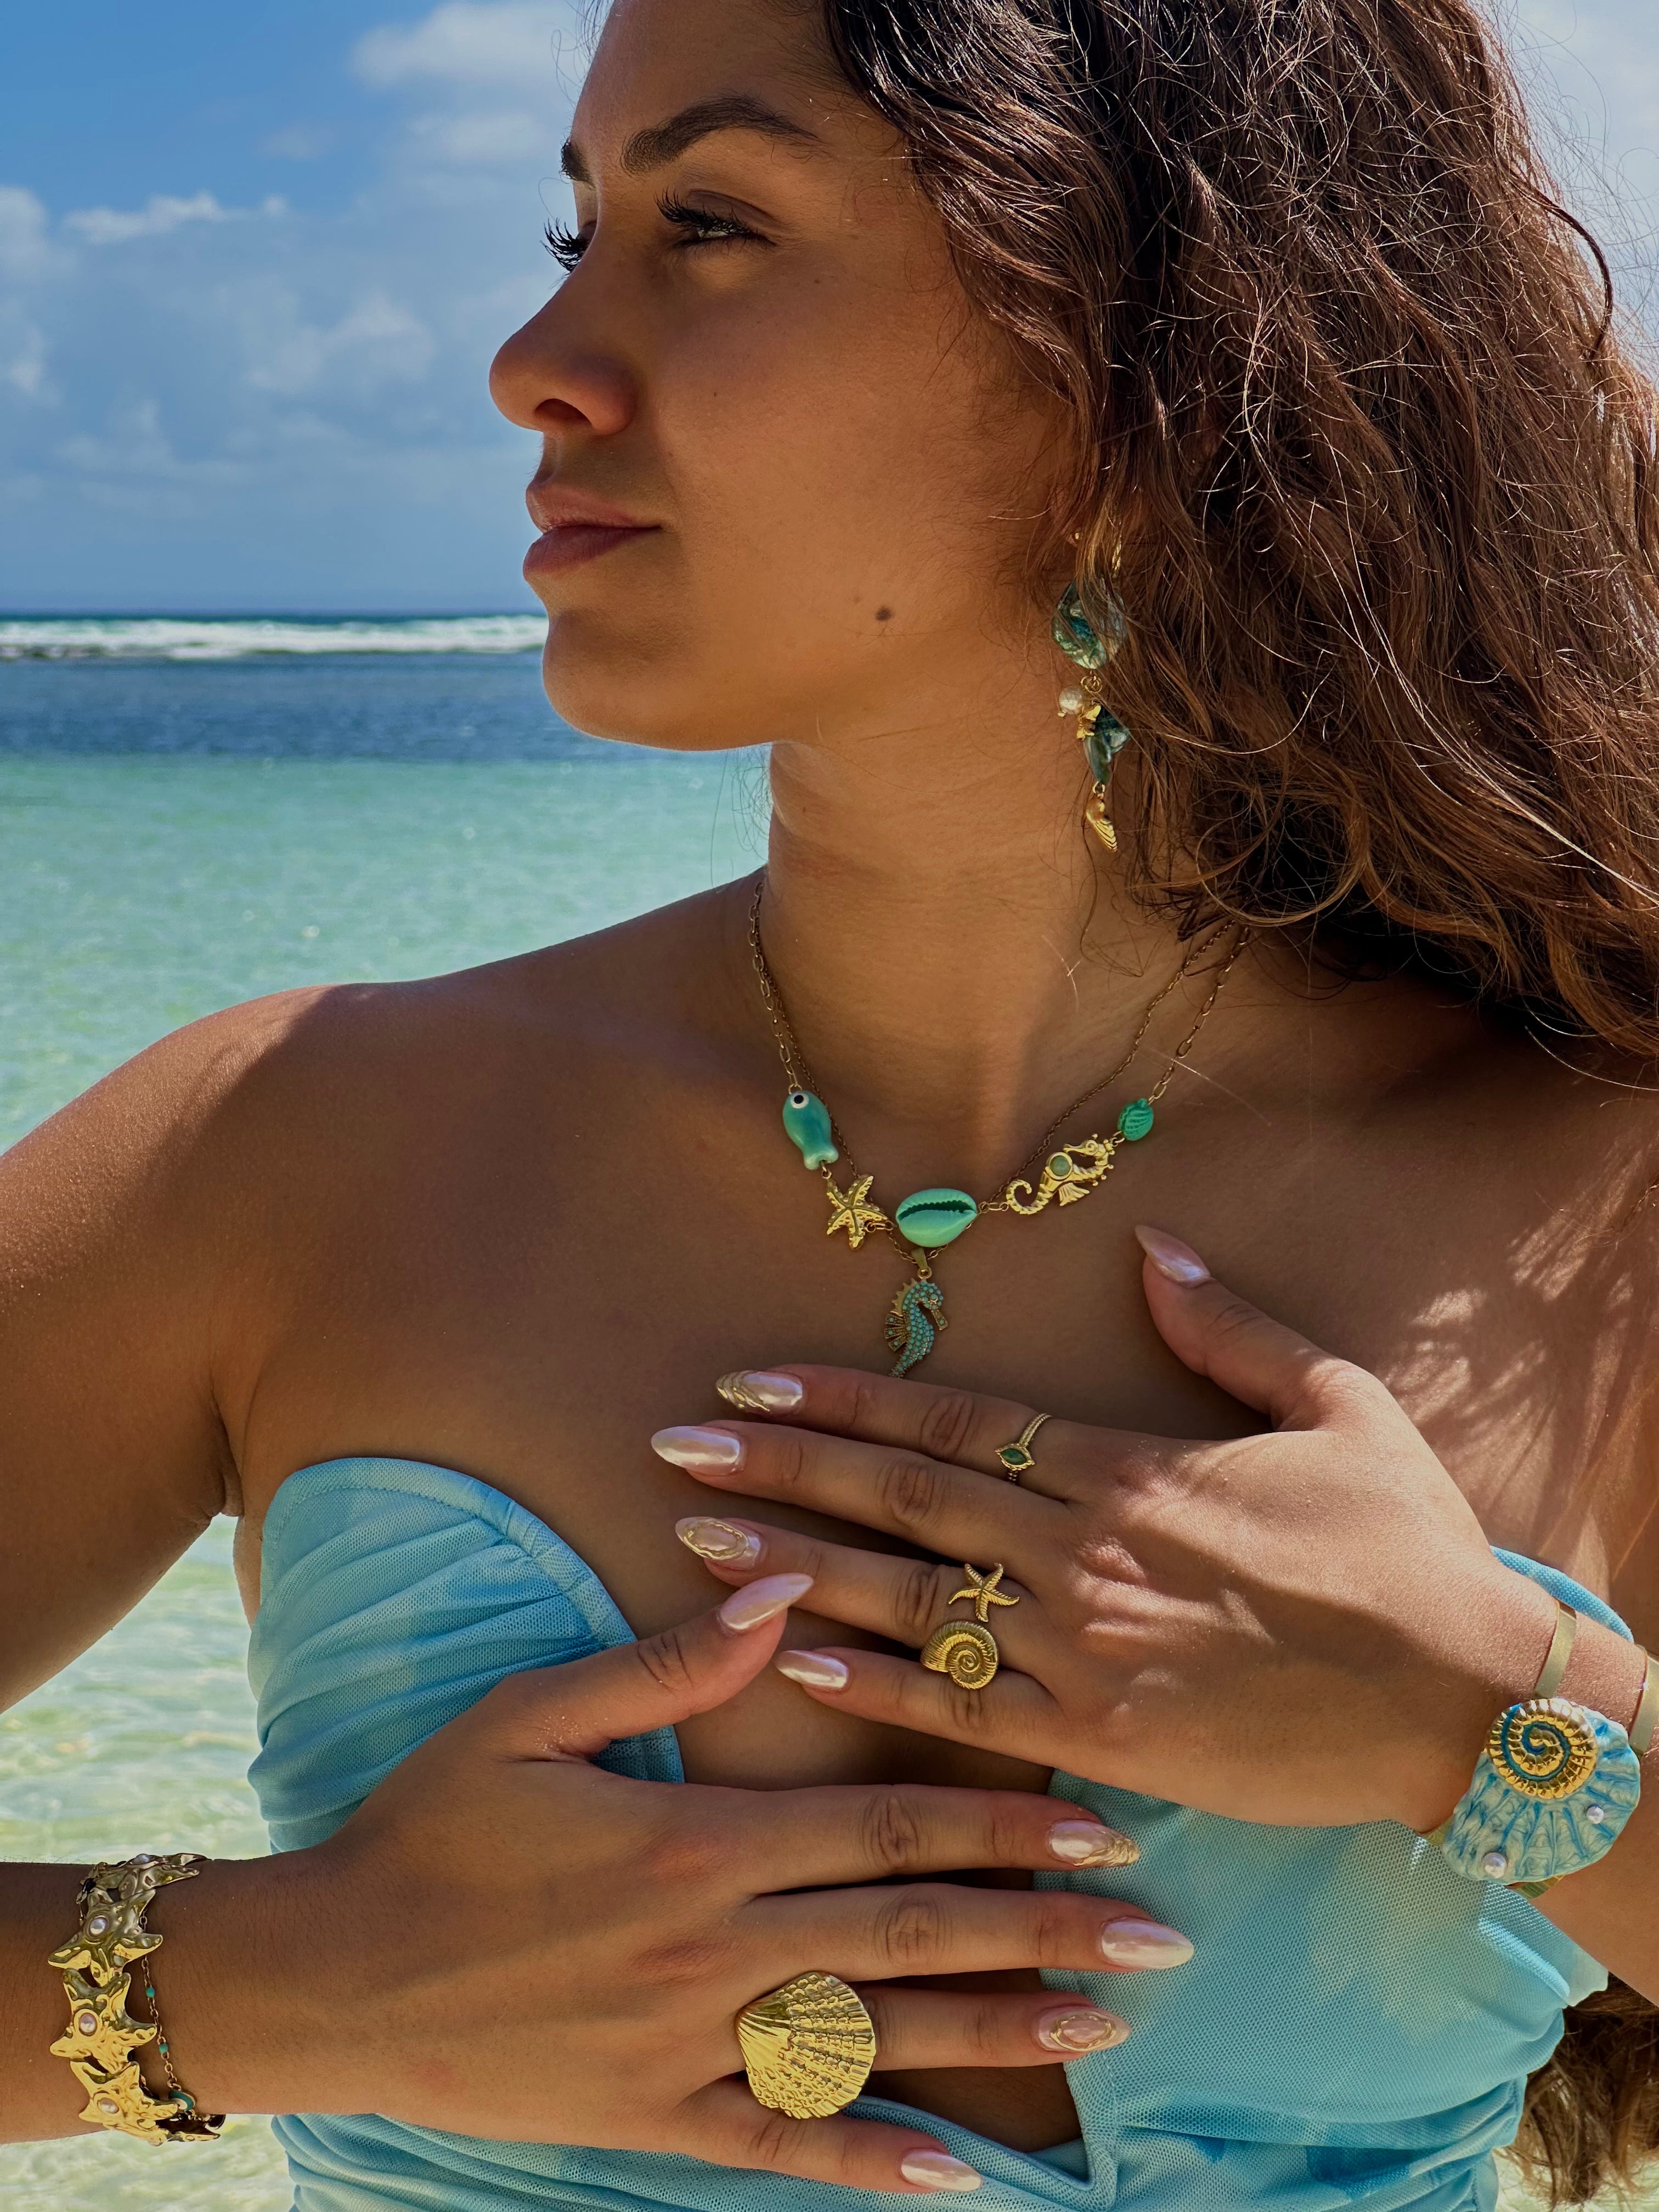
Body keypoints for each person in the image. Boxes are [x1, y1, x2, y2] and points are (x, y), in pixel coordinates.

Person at [2, 0, 1656, 2205]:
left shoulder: (1600, 1213)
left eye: (707, 223)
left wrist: (1498, 1728)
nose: (532, 360)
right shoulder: (288, 1154)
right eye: (577, 229)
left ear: (1151, 347)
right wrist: (273, 1982)